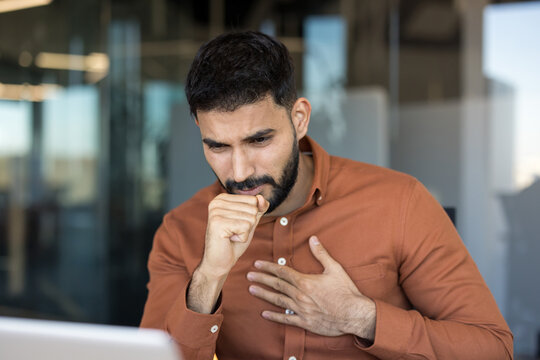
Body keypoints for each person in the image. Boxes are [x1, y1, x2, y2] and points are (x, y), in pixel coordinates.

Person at [140, 31, 513, 360]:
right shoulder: (180, 232)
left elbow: (492, 349)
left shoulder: (400, 203)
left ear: (299, 119)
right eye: (218, 146)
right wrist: (209, 277)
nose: (239, 173)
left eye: (259, 140)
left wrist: (361, 317)